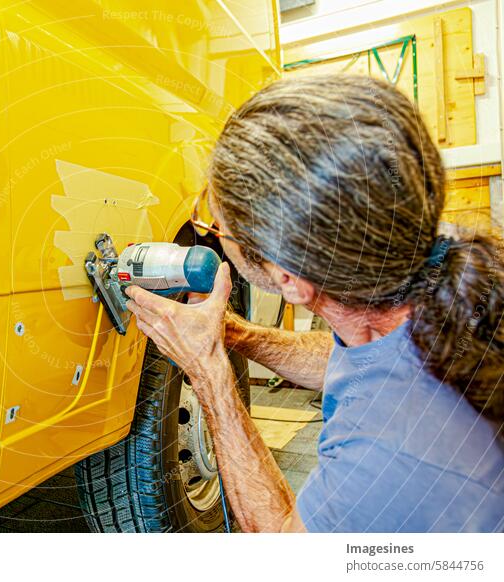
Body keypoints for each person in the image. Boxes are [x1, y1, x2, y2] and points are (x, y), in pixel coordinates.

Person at [126, 75, 504, 532]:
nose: (209, 231)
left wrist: (209, 372)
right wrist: (233, 333)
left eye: (219, 225)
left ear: (292, 280)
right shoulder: (438, 269)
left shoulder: (389, 448)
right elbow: (360, 359)